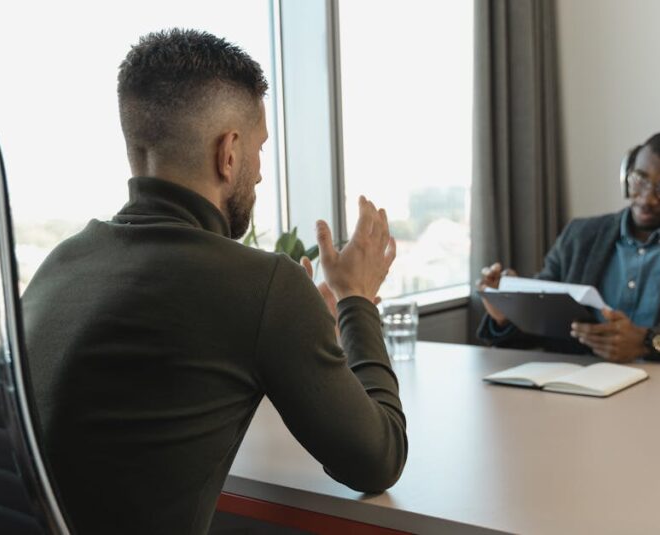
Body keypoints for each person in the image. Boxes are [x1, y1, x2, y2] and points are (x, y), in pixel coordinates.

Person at [22, 29, 406, 535]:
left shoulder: (59, 264)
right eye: (260, 148)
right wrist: (356, 298)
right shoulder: (260, 284)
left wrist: (298, 328)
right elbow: (378, 460)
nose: (260, 174)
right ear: (229, 152)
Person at [477, 130, 660, 369]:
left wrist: (652, 341)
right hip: (579, 393)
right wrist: (508, 311)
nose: (646, 198)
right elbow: (540, 326)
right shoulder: (580, 236)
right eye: (640, 180)